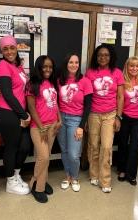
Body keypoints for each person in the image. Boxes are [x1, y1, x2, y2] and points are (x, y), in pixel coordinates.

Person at [85, 44, 124, 193]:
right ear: (96, 57)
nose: (103, 57)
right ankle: (94, 174)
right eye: (100, 55)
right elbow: (87, 97)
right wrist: (85, 118)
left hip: (110, 115)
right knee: (93, 145)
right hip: (93, 114)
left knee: (106, 147)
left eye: (106, 55)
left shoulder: (117, 73)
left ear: (111, 57)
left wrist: (118, 117)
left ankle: (105, 180)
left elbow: (120, 97)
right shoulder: (90, 73)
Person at [0, 35, 31, 195]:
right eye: (5, 49)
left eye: (12, 47)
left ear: (17, 48)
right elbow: (7, 94)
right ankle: (10, 181)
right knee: (12, 148)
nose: (9, 51)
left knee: (24, 146)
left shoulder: (18, 67)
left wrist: (24, 113)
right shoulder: (3, 65)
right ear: (1, 51)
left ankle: (16, 175)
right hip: (8, 113)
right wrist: (24, 115)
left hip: (19, 112)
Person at [27, 55, 61, 203]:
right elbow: (31, 107)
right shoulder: (32, 84)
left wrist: (59, 119)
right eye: (44, 66)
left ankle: (42, 181)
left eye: (50, 67)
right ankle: (36, 185)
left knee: (46, 157)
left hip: (53, 125)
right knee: (44, 157)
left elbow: (55, 102)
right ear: (39, 67)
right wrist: (41, 128)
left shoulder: (52, 83)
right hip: (38, 127)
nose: (48, 69)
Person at [57, 53, 93, 192]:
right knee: (64, 150)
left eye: (76, 62)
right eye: (71, 62)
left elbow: (88, 105)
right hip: (61, 118)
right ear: (66, 64)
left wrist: (81, 126)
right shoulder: (60, 80)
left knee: (73, 153)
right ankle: (67, 176)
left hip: (76, 119)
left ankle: (75, 176)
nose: (74, 65)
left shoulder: (85, 81)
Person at [117, 56, 138, 186]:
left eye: (137, 66)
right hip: (125, 117)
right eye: (131, 66)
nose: (134, 68)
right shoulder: (122, 81)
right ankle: (122, 170)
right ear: (127, 67)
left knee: (135, 147)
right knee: (123, 145)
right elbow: (118, 99)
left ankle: (131, 174)